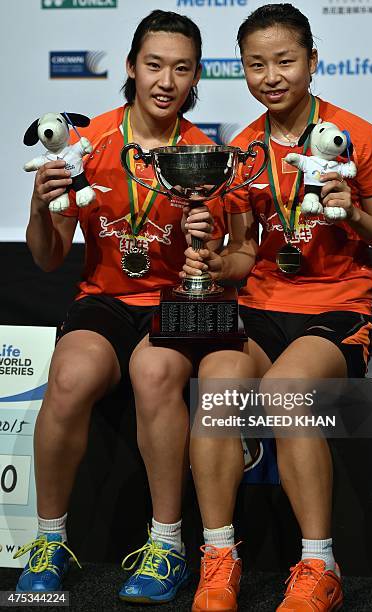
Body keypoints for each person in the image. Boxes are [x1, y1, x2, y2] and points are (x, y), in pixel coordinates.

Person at [184, 4, 372, 611]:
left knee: (284, 391)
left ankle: (318, 567)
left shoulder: (355, 135)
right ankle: (219, 556)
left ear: (312, 61)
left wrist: (350, 211)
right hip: (260, 305)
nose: (271, 75)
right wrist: (211, 260)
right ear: (244, 71)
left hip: (335, 309)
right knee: (216, 383)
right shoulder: (244, 149)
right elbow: (246, 252)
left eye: (284, 61)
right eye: (256, 64)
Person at [14, 10, 225, 606]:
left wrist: (207, 243)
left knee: (154, 371)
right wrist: (39, 206)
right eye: (154, 65)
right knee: (70, 374)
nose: (166, 81)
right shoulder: (90, 142)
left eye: (181, 69)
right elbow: (50, 258)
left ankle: (167, 545)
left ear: (195, 78)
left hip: (175, 303)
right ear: (131, 68)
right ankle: (49, 539)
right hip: (105, 299)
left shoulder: (204, 152)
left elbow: (224, 254)